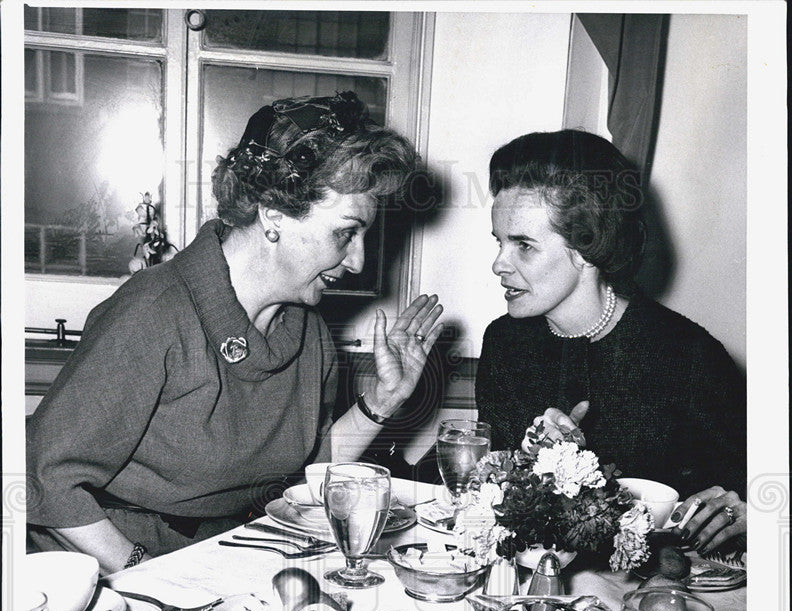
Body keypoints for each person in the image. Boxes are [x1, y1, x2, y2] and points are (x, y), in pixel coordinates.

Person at [27, 92, 443, 573]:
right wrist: (151, 574)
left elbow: (309, 471)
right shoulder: (152, 312)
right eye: (346, 232)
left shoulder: (307, 332)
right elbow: (46, 477)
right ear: (274, 214)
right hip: (108, 564)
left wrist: (383, 403)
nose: (359, 261)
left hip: (221, 558)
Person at [475, 129, 746, 555]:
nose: (497, 264)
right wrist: (530, 462)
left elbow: (752, 491)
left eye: (523, 245)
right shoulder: (505, 343)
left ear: (587, 245)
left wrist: (747, 512)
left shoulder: (689, 356)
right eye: (499, 241)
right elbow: (490, 495)